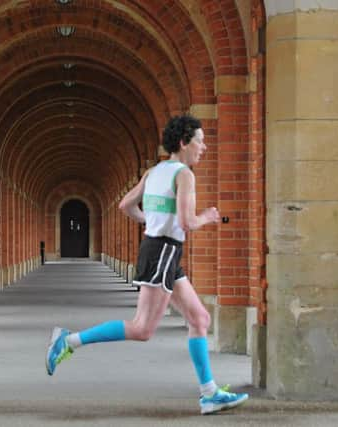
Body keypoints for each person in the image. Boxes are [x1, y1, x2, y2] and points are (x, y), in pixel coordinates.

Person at [45, 114, 248, 415]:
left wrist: (149, 221)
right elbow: (186, 222)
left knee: (200, 319)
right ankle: (68, 341)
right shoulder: (184, 175)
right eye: (200, 141)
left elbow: (125, 205)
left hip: (160, 250)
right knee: (142, 328)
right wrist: (208, 217)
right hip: (164, 251)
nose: (203, 147)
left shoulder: (154, 172)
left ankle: (209, 393)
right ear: (184, 142)